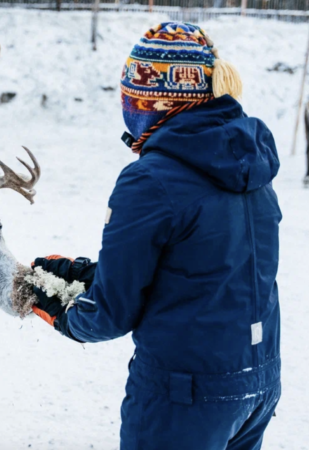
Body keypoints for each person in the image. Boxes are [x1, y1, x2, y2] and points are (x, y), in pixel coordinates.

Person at [32, 23, 281, 450]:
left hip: (183, 395)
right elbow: (201, 271)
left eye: (130, 95)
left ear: (156, 101)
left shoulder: (149, 180)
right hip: (256, 384)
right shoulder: (247, 162)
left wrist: (65, 315)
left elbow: (111, 314)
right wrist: (91, 275)